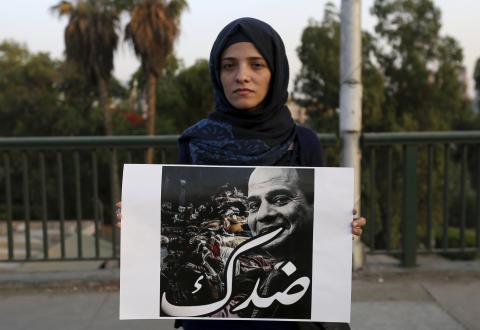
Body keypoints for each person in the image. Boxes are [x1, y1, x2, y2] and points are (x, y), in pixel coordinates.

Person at [117, 16, 366, 330]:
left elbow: (316, 228)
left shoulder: (302, 142)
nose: (241, 76)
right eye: (229, 65)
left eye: (256, 65)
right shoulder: (195, 142)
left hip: (285, 314)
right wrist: (141, 221)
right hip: (212, 318)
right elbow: (178, 226)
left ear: (275, 71)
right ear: (217, 73)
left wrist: (343, 225)